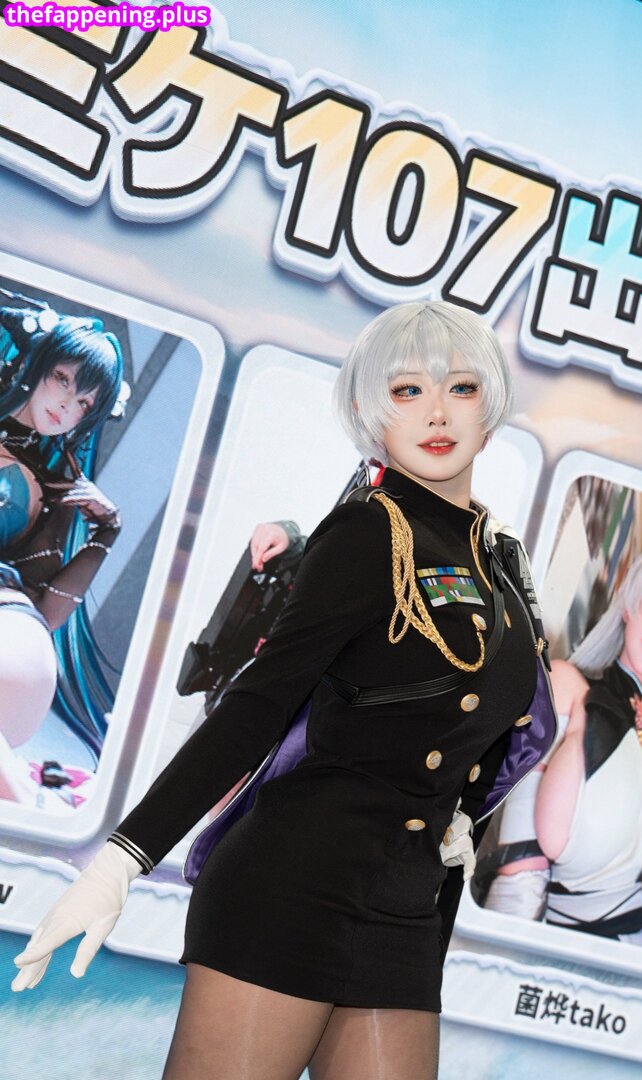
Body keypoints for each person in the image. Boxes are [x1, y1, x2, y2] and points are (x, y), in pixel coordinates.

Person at [12, 301, 556, 1080]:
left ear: (489, 406)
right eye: (407, 390)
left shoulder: (500, 561)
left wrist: (464, 813)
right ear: (372, 410)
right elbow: (256, 706)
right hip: (290, 890)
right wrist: (122, 860)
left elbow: (503, 721)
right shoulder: (367, 532)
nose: (437, 412)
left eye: (460, 387)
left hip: (405, 910)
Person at [482, 539, 642, 952]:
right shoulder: (567, 688)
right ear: (629, 600)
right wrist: (501, 963)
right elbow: (520, 872)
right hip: (559, 948)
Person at [0, 296, 124, 803]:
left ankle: (36, 808)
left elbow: (47, 613)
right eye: (62, 379)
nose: (67, 406)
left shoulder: (56, 488)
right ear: (39, 365)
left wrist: (107, 532)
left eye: (85, 404)